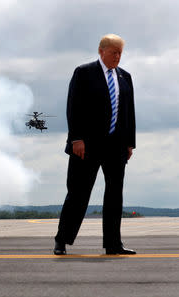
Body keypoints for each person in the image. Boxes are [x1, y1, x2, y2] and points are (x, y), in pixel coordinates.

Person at [54, 34, 136, 255]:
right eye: (113, 52)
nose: (117, 56)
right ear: (101, 51)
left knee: (114, 195)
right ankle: (62, 240)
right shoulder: (84, 72)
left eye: (120, 53)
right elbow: (74, 107)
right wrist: (76, 139)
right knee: (78, 194)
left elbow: (129, 113)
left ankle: (113, 244)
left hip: (116, 147)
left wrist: (130, 144)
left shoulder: (125, 76)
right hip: (86, 146)